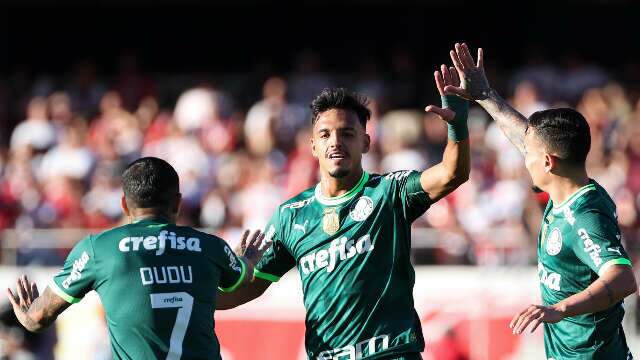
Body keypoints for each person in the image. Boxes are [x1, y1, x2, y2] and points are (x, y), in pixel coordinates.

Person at [219, 75, 471, 359]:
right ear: (313, 145)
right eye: (325, 135)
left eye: (347, 133)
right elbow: (250, 287)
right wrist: (195, 294)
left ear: (365, 142)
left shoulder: (390, 193)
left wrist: (457, 125)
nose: (335, 142)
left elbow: (453, 173)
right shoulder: (290, 216)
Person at [443, 42, 637, 359]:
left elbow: (623, 278)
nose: (524, 158)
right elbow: (526, 137)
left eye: (529, 155)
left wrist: (562, 308)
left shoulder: (582, 217)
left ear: (548, 162)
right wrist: (486, 96)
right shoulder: (571, 188)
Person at [6, 157, 269, 360]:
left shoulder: (98, 249)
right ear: (177, 203)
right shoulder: (210, 247)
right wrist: (248, 259)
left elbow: (38, 317)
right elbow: (242, 278)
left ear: (124, 205)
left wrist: (28, 314)